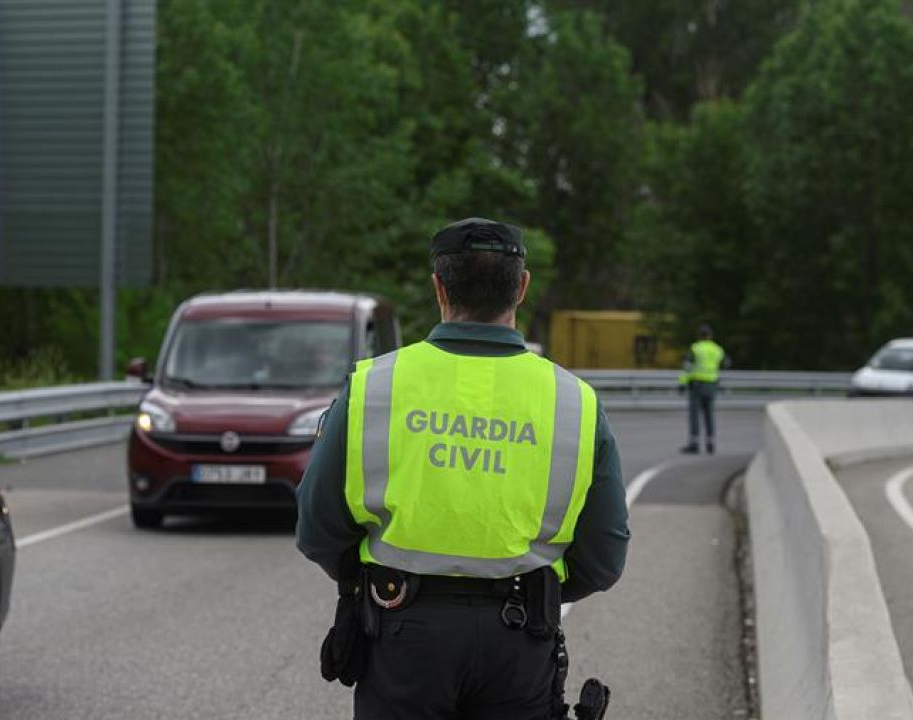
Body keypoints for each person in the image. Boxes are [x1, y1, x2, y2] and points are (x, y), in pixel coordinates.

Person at [296, 218, 631, 720]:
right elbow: (604, 557)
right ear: (522, 287)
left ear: (439, 287)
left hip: (402, 632)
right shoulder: (574, 401)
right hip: (521, 638)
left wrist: (373, 583)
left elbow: (317, 528)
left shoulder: (374, 387)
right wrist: (535, 590)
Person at [678, 324, 729, 454]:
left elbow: (687, 366)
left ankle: (694, 444)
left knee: (695, 415)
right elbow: (727, 363)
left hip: (697, 385)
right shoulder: (717, 349)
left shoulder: (696, 348)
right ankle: (710, 443)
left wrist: (682, 383)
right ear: (710, 336)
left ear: (699, 336)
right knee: (709, 414)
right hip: (711, 386)